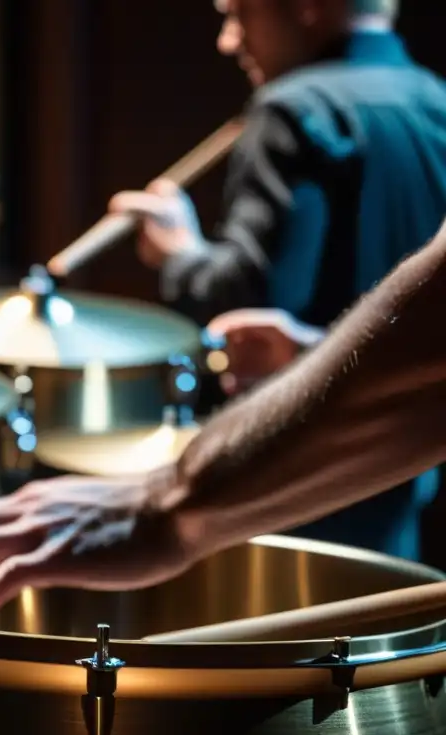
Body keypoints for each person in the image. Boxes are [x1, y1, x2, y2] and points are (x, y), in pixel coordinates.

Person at [0, 215, 446, 614]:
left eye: (236, 33)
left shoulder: (293, 112)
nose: (229, 40)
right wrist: (322, 350)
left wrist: (171, 502)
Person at [106, 0, 446, 560]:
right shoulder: (433, 97)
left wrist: (179, 252)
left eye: (238, 12)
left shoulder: (294, 108)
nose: (228, 39)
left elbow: (249, 301)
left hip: (296, 477)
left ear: (307, 7)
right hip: (399, 470)